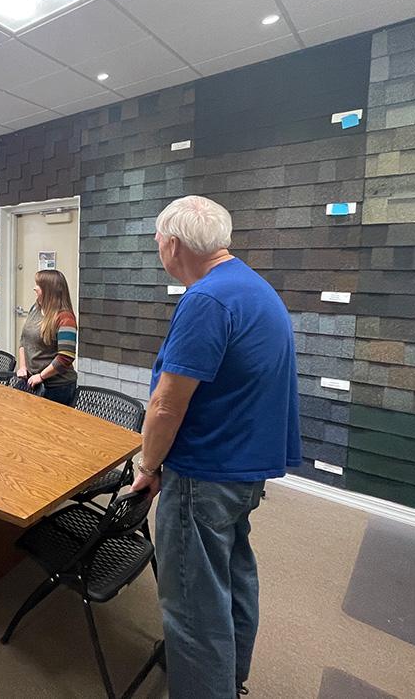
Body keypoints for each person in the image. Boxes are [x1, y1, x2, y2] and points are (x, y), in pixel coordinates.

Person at [129, 196, 300, 699]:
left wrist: (149, 464)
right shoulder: (253, 287)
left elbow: (165, 406)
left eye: (158, 240)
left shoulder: (204, 301)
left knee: (192, 604)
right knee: (233, 576)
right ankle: (231, 678)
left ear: (174, 244)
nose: (158, 248)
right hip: (244, 470)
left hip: (204, 472)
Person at [16, 269, 78, 406]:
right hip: (33, 382)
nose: (34, 288)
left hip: (57, 388)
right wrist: (23, 367)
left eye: (38, 285)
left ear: (48, 290)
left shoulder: (65, 318)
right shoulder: (35, 309)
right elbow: (23, 340)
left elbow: (65, 357)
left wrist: (41, 376)